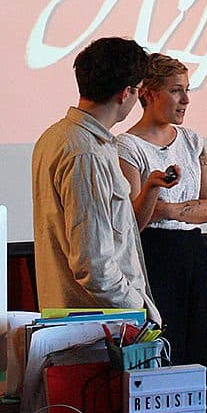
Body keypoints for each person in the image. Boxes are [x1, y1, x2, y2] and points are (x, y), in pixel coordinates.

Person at [117, 53, 207, 413]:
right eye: (176, 90)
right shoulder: (127, 146)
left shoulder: (193, 140)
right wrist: (166, 204)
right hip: (155, 259)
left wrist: (168, 208)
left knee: (205, 353)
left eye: (187, 90)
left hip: (193, 256)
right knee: (166, 357)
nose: (186, 100)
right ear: (148, 94)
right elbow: (135, 218)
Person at [31, 36, 160, 323]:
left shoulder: (56, 136)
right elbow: (94, 266)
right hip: (100, 327)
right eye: (139, 90)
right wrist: (141, 309)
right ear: (126, 93)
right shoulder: (86, 153)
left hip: (80, 323)